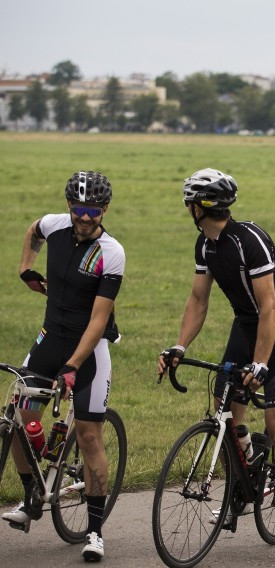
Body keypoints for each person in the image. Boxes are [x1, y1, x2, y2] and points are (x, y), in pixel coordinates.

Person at [156, 168, 275, 564]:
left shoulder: (251, 241)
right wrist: (180, 344)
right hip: (245, 326)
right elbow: (198, 300)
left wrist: (261, 365)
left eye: (189, 202)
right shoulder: (205, 246)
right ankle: (244, 482)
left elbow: (268, 307)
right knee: (225, 412)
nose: (187, 208)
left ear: (199, 207)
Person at [4, 171, 124, 561]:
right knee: (19, 418)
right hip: (48, 338)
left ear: (104, 209)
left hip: (89, 348)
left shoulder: (111, 252)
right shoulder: (54, 224)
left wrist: (73, 365)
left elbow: (98, 320)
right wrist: (26, 268)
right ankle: (32, 495)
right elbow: (33, 231)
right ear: (69, 206)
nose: (85, 217)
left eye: (93, 210)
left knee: (89, 436)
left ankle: (94, 531)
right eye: (78, 209)